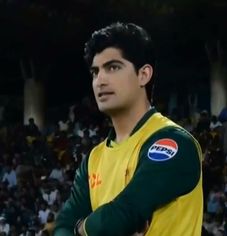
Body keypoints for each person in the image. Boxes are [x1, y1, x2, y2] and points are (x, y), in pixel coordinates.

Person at [54, 22, 203, 236]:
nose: (100, 81)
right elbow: (62, 227)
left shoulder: (173, 143)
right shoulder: (93, 159)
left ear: (144, 74)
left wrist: (80, 228)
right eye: (95, 72)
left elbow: (122, 216)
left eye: (113, 67)